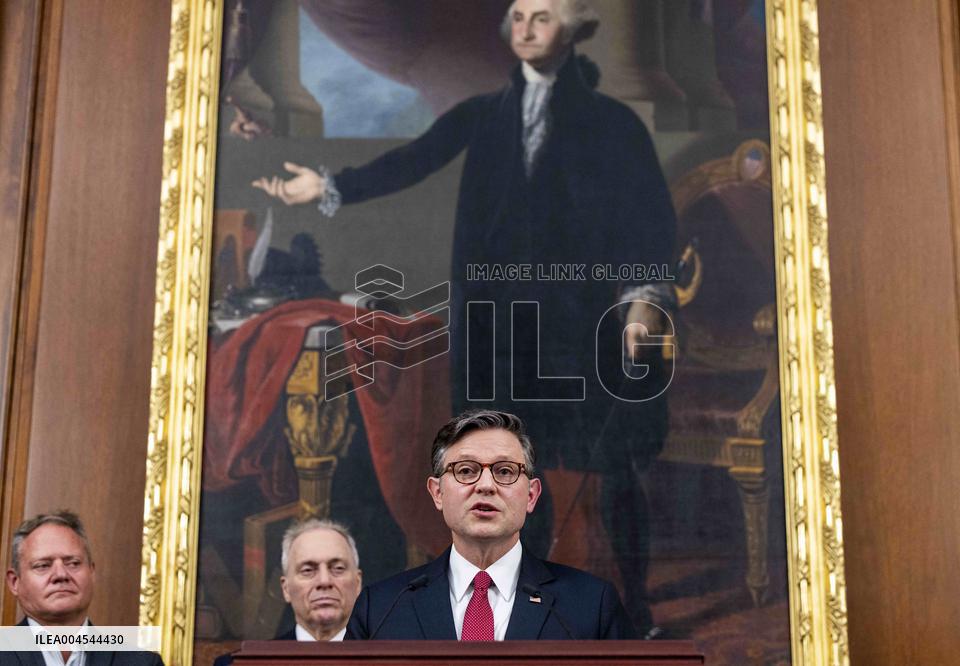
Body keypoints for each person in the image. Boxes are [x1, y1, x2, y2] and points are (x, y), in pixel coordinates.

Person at [254, 0, 675, 633]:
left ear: (577, 27)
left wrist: (643, 299)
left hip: (577, 325)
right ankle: (526, 612)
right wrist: (326, 185)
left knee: (609, 463)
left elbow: (647, 216)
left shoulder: (613, 125)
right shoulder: (485, 114)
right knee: (511, 474)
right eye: (520, 16)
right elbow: (414, 159)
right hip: (498, 331)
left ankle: (636, 609)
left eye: (544, 16)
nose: (527, 27)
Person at [345, 409, 635, 640]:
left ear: (531, 495)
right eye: (466, 471)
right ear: (437, 493)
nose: (486, 485)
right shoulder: (381, 608)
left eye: (505, 471)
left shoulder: (591, 605)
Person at [5, 510, 164, 665]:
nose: (61, 574)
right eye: (43, 566)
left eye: (73, 563)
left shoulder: (143, 662)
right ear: (15, 582)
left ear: (91, 572)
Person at [214, 519, 362, 665]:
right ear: (286, 589)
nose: (324, 581)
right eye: (308, 570)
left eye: (338, 569)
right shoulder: (238, 664)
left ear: (357, 583)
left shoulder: (383, 658)